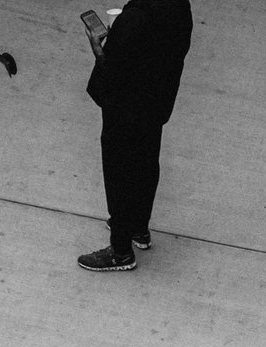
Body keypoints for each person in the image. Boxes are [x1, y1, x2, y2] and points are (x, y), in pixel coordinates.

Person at [78, 0, 193, 272]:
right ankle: (139, 227)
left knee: (119, 167)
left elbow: (114, 67)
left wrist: (98, 46)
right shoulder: (179, 8)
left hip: (126, 104)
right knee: (146, 159)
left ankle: (120, 249)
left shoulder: (136, 18)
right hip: (156, 101)